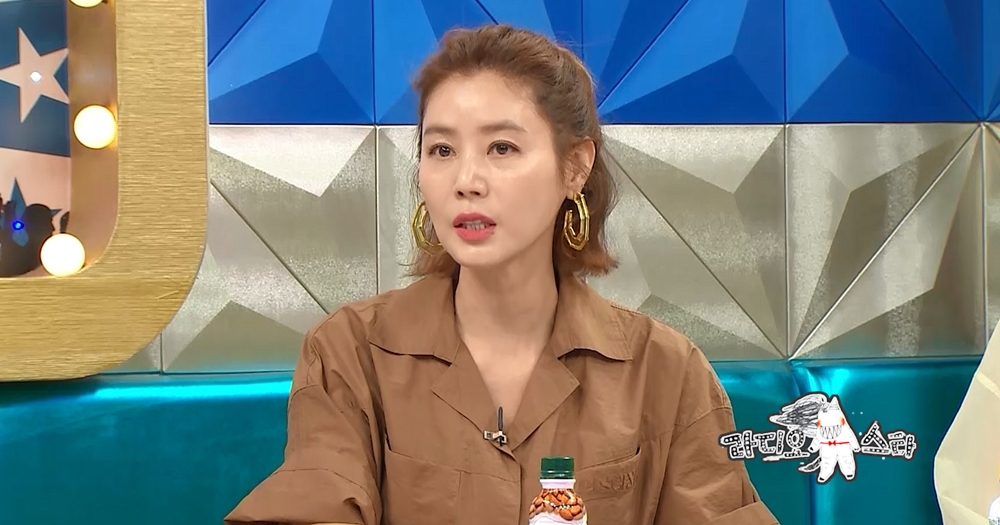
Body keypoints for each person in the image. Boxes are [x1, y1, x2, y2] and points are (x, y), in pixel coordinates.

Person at [224, 24, 777, 525]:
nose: (466, 179)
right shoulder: (350, 352)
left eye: (502, 147)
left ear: (575, 167)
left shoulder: (666, 372)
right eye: (442, 149)